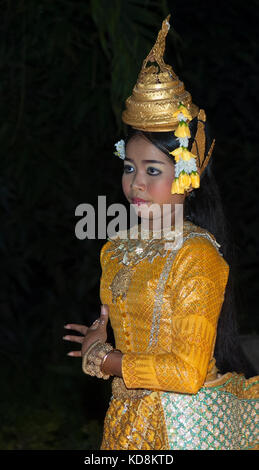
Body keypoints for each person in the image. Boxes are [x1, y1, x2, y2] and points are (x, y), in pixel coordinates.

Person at [63, 16, 259, 450]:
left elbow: (186, 373)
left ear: (187, 177)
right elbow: (111, 336)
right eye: (130, 168)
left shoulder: (198, 258)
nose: (135, 183)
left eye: (153, 170)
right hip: (124, 423)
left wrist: (105, 358)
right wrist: (99, 346)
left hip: (182, 429)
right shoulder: (116, 248)